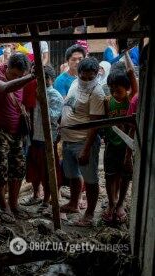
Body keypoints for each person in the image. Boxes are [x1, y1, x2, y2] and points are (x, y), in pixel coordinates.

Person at [0, 53, 36, 220]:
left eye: (20, 76)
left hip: (17, 132)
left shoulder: (24, 77)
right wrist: (27, 78)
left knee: (18, 168)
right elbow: (4, 88)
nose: (17, 78)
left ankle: (14, 204)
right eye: (14, 75)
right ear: (7, 67)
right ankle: (3, 205)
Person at [59, 57, 105, 227]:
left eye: (89, 78)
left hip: (83, 142)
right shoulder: (74, 84)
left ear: (96, 74)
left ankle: (90, 214)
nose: (86, 81)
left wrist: (86, 149)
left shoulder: (97, 93)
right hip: (68, 139)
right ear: (78, 74)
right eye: (83, 77)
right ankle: (73, 203)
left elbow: (95, 125)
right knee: (72, 175)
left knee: (91, 179)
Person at [102, 50, 137, 224]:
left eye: (119, 90)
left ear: (128, 89)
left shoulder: (131, 98)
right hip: (111, 145)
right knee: (109, 175)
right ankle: (111, 203)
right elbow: (107, 124)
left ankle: (121, 203)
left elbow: (131, 76)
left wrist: (126, 54)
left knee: (125, 176)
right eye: (112, 89)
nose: (115, 92)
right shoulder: (108, 101)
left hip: (126, 146)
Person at [23, 65, 63, 208]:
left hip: (47, 140)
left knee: (47, 172)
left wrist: (41, 100)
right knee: (33, 169)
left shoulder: (54, 95)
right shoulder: (32, 92)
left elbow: (53, 117)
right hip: (33, 137)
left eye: (43, 78)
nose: (40, 81)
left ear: (49, 79)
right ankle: (36, 194)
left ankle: (46, 199)